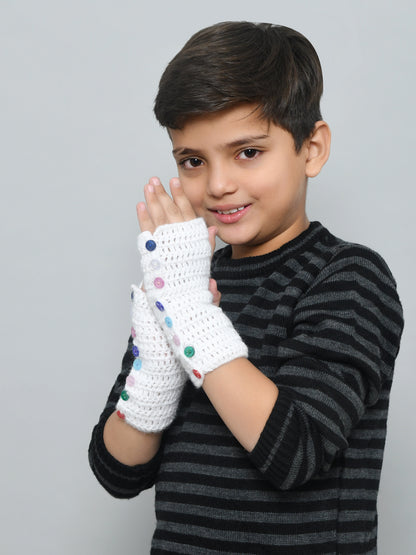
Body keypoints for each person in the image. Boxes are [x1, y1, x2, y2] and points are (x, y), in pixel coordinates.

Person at [88, 21, 403, 554]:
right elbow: (117, 470)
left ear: (312, 148)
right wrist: (164, 347)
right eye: (193, 161)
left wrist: (188, 314)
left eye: (248, 152)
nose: (217, 185)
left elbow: (296, 453)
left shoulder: (349, 277)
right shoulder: (187, 281)